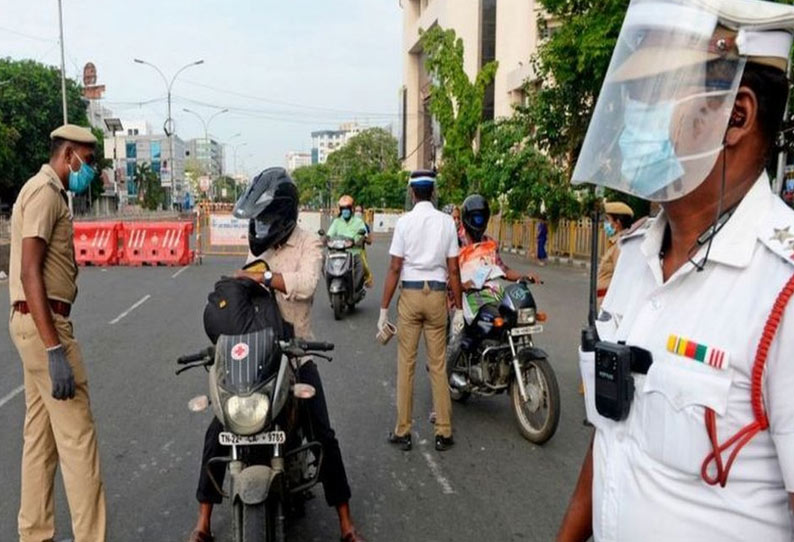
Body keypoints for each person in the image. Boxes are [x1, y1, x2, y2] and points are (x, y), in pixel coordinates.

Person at [559, 1, 794, 540]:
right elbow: (613, 437)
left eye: (655, 97)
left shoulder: (781, 287)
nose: (632, 120)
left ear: (735, 115)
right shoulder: (639, 254)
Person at [189, 168, 364, 542]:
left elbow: (306, 285)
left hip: (297, 353)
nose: (260, 225)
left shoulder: (309, 244)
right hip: (257, 355)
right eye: (257, 219)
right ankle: (202, 522)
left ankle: (346, 524)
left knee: (324, 432)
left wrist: (265, 278)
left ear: (283, 215)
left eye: (265, 218)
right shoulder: (258, 249)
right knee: (219, 428)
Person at [8, 124, 106, 542]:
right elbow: (31, 268)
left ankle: (35, 534)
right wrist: (54, 348)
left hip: (34, 321)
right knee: (79, 441)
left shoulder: (45, 191)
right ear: (68, 155)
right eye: (87, 158)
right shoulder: (45, 193)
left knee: (40, 439)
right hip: (45, 322)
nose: (91, 168)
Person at [378, 170, 463, 452]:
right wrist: (459, 308)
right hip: (437, 295)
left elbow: (394, 268)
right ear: (433, 193)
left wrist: (383, 309)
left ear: (412, 193)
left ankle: (403, 431)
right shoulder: (446, 223)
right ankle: (444, 432)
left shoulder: (404, 222)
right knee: (438, 366)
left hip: (411, 296)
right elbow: (454, 269)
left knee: (407, 365)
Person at [327, 195, 372, 288]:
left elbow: (365, 237)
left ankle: (356, 287)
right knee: (325, 263)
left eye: (347, 208)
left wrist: (359, 240)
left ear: (352, 209)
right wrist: (323, 240)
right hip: (338, 253)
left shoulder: (359, 222)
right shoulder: (336, 222)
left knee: (361, 267)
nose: (345, 211)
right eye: (343, 208)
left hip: (354, 253)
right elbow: (329, 235)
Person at [595, 201, 634, 302]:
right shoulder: (615, 243)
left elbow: (621, 278)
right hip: (605, 299)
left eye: (608, 219)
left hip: (609, 301)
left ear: (617, 223)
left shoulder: (620, 246)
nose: (605, 224)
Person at [355, 204, 374, 288]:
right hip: (348, 250)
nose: (357, 213)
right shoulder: (347, 224)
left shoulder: (364, 226)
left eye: (359, 211)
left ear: (362, 213)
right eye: (356, 211)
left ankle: (367, 279)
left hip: (360, 251)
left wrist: (364, 238)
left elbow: (370, 241)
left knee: (364, 267)